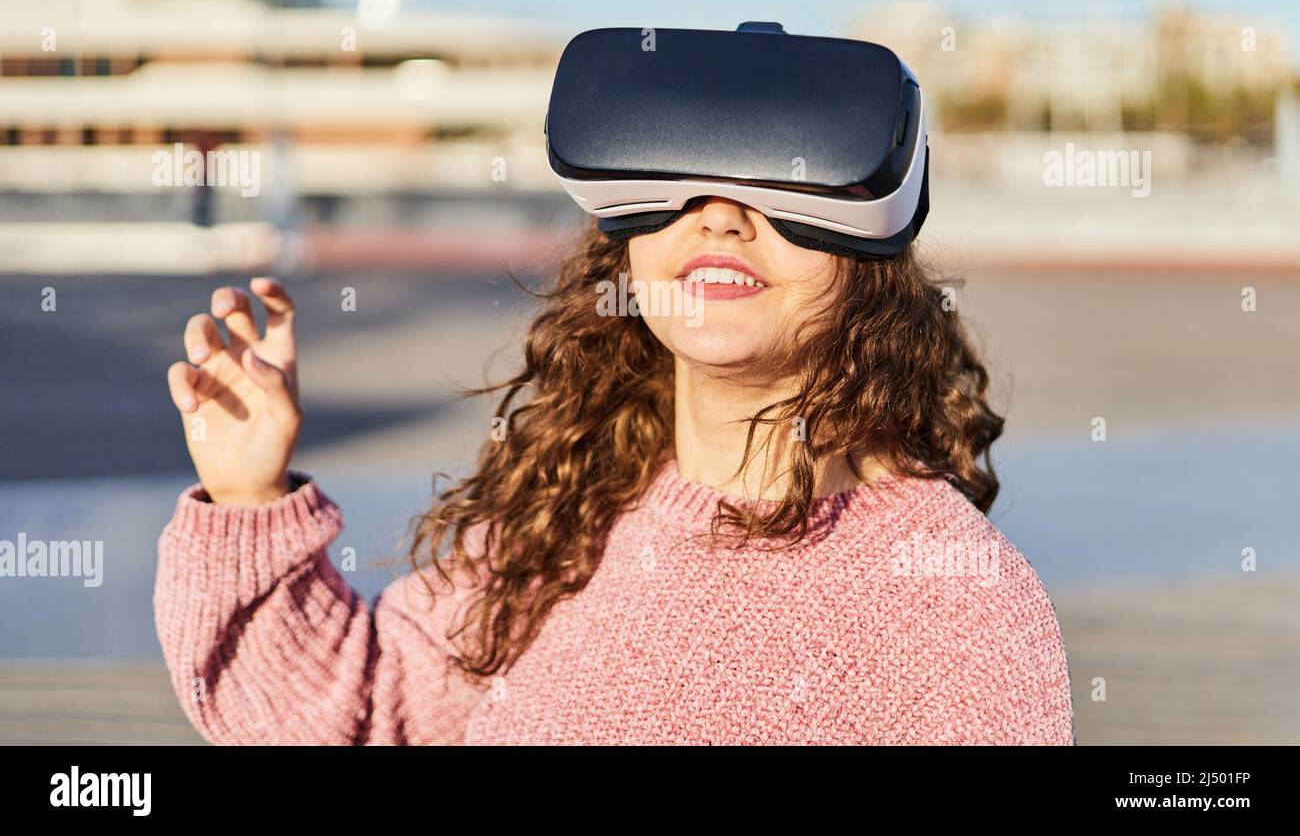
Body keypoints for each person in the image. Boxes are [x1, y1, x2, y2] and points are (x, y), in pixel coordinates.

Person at [157, 198, 1075, 745]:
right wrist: (247, 495)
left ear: (868, 256)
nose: (721, 215)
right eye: (680, 182)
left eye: (779, 185)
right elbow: (361, 715)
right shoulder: (566, 519)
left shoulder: (956, 600)